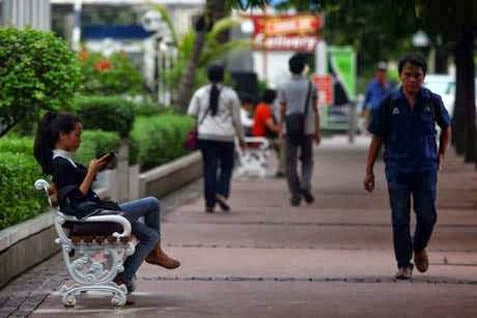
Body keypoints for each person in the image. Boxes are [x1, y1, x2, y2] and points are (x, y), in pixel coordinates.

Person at [33, 111, 180, 296]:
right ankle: (155, 254)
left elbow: (76, 193)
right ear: (62, 135)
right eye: (77, 135)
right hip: (91, 220)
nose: (80, 140)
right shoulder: (60, 163)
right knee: (152, 203)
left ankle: (123, 278)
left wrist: (93, 170)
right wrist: (91, 171)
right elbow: (77, 198)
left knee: (150, 235)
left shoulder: (63, 161)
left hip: (94, 215)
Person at [363, 54, 451, 280]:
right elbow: (377, 137)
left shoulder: (432, 101)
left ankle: (419, 246)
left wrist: (441, 154)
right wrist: (369, 170)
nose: (412, 80)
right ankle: (404, 264)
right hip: (397, 169)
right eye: (407, 75)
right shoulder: (389, 103)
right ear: (401, 76)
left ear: (424, 77)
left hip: (425, 169)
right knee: (400, 217)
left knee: (427, 216)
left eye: (417, 76)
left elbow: (446, 127)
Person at [187, 64, 245, 213]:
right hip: (226, 136)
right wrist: (242, 139)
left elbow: (191, 113)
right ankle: (221, 192)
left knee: (209, 168)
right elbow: (237, 120)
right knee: (226, 167)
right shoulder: (231, 94)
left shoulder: (200, 93)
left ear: (208, 76)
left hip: (205, 136)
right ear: (223, 76)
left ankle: (209, 203)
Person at [278, 53, 321, 206]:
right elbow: (315, 109)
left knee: (290, 162)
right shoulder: (311, 85)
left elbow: (282, 109)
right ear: (303, 69)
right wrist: (317, 130)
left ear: (290, 68)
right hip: (307, 128)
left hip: (289, 128)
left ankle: (295, 194)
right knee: (307, 160)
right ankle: (305, 184)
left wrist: (280, 129)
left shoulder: (283, 85)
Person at [251, 88, 285, 177]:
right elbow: (272, 127)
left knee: (281, 143)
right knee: (284, 144)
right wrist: (283, 130)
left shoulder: (261, 106)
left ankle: (282, 168)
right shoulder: (264, 109)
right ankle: (282, 170)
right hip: (262, 139)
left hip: (262, 137)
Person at [361, 62, 392, 128]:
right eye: (379, 71)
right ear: (376, 72)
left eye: (383, 72)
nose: (381, 73)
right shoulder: (371, 84)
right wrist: (363, 109)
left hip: (384, 111)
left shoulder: (388, 85)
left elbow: (390, 98)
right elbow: (367, 97)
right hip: (373, 111)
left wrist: (384, 86)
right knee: (373, 131)